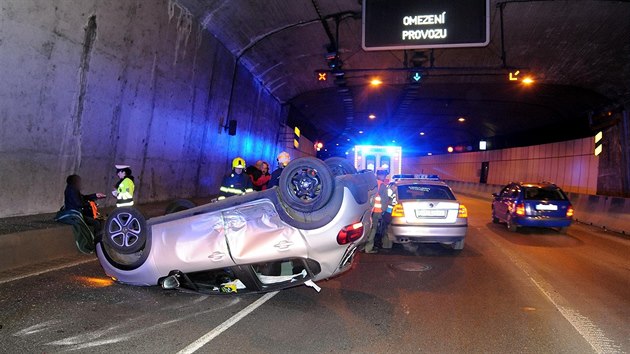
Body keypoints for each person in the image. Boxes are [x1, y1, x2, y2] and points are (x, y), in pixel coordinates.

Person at [364, 167, 390, 254]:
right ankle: (368, 248)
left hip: (368, 210)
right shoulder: (382, 185)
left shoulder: (371, 183)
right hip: (377, 211)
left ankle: (362, 246)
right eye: (384, 175)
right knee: (373, 228)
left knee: (367, 228)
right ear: (383, 175)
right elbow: (384, 200)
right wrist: (384, 210)